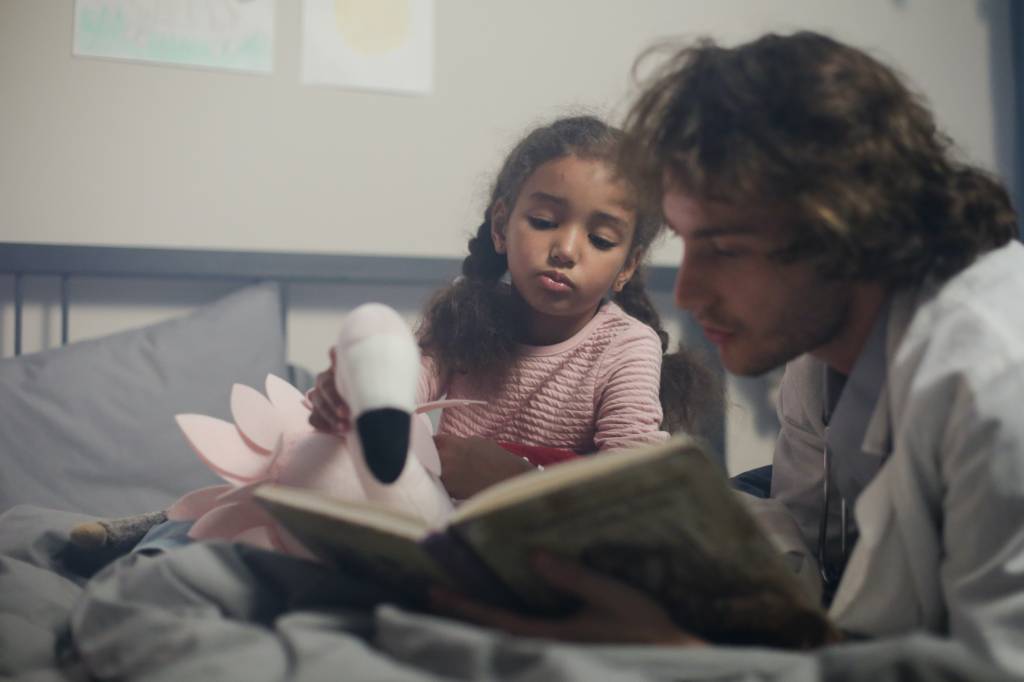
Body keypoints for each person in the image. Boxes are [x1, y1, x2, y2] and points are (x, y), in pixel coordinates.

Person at [430, 31, 1024, 674]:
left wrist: (686, 655)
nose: (689, 292)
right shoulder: (820, 357)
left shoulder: (995, 378)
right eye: (687, 243)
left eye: (727, 248)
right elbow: (810, 571)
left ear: (845, 229)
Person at [308, 115, 719, 499]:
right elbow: (400, 392)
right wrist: (356, 394)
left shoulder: (627, 347)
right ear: (502, 226)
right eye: (544, 221)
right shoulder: (460, 315)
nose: (566, 250)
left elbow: (633, 485)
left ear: (627, 266)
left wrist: (518, 479)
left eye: (601, 240)